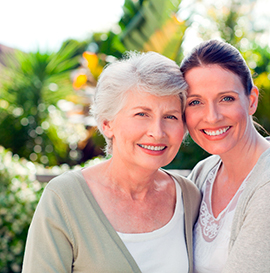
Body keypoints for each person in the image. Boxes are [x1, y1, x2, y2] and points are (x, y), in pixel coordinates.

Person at [22, 51, 200, 273]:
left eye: (171, 117)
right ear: (107, 123)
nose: (157, 131)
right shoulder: (65, 197)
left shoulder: (189, 196)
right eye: (142, 114)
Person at [180, 39, 270, 273]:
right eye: (195, 102)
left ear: (251, 100)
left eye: (226, 98)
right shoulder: (204, 172)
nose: (212, 116)